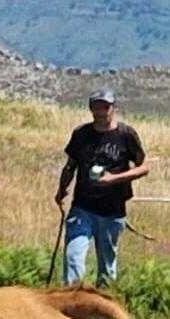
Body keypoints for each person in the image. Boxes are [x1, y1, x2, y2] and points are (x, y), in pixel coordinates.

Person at [54, 89, 149, 286]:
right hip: (82, 207)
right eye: (96, 106)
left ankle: (103, 306)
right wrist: (62, 189)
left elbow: (144, 167)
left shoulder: (125, 135)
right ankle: (73, 302)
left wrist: (114, 179)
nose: (101, 111)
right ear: (90, 109)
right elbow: (71, 164)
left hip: (112, 212)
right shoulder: (81, 134)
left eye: (105, 107)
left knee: (107, 266)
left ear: (113, 108)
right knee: (73, 255)